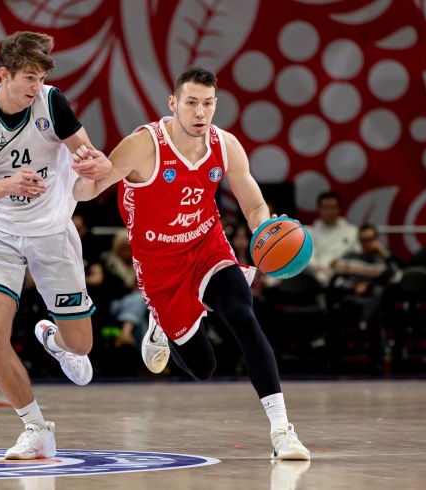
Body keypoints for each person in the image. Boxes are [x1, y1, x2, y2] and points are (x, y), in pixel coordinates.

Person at [70, 66, 310, 460]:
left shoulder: (225, 145)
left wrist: (266, 230)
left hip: (206, 246)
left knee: (243, 315)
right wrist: (83, 174)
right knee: (203, 367)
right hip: (160, 265)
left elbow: (253, 204)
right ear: (173, 103)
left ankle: (282, 430)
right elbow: (89, 189)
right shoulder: (143, 145)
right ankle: (161, 325)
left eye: (208, 104)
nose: (201, 112)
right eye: (192, 103)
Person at [0, 31, 110, 461]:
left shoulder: (53, 104)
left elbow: (87, 160)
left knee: (82, 346)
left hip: (52, 230)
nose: (36, 87)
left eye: (41, 78)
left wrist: (95, 165)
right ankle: (36, 428)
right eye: (28, 79)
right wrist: (7, 185)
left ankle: (55, 341)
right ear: (4, 74)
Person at [330, 224, 403, 368]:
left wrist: (386, 255)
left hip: (375, 302)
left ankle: (375, 360)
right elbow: (336, 279)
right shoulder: (351, 257)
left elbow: (397, 278)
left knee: (377, 292)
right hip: (352, 299)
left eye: (370, 239)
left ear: (377, 239)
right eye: (363, 240)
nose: (366, 243)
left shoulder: (383, 259)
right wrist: (353, 286)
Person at [305, 191, 359, 287]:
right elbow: (309, 256)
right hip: (321, 274)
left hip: (346, 271)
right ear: (320, 209)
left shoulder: (352, 231)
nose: (329, 211)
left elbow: (357, 253)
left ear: (339, 208)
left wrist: (342, 264)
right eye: (326, 208)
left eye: (333, 207)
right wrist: (316, 267)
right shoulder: (310, 233)